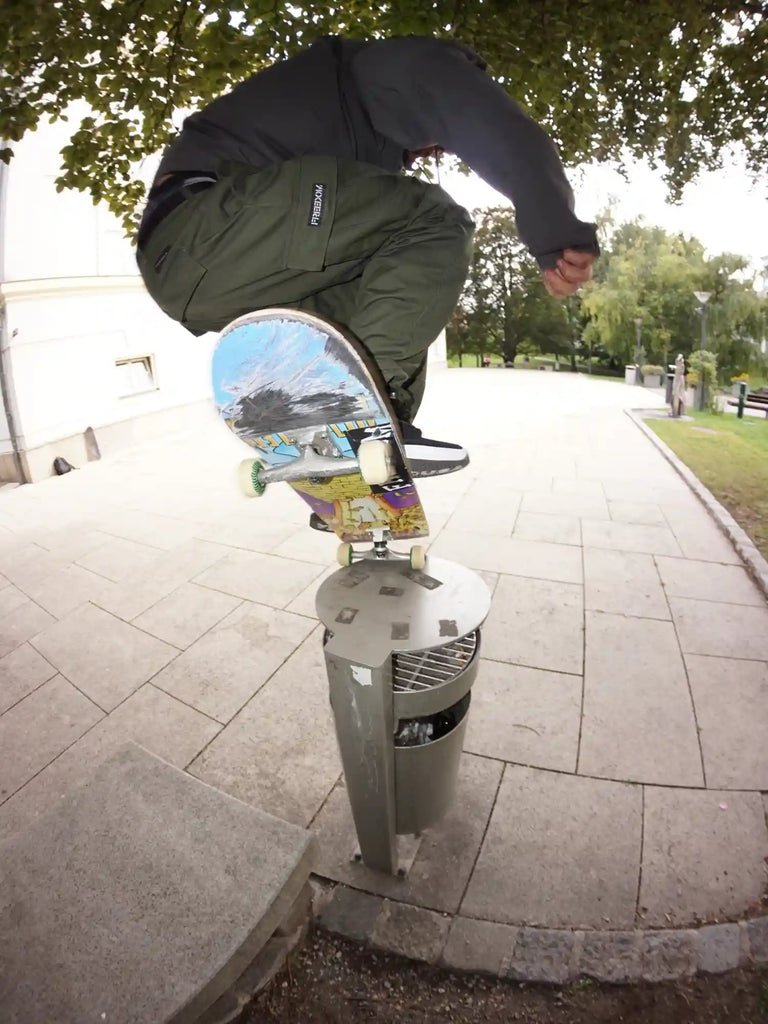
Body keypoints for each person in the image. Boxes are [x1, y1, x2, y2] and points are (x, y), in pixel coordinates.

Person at [136, 34, 598, 479]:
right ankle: (351, 420)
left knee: (384, 296)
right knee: (436, 219)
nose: (432, 150)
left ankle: (335, 448)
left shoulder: (356, 139)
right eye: (436, 141)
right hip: (208, 221)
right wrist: (555, 230)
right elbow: (494, 124)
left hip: (211, 266)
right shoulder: (407, 67)